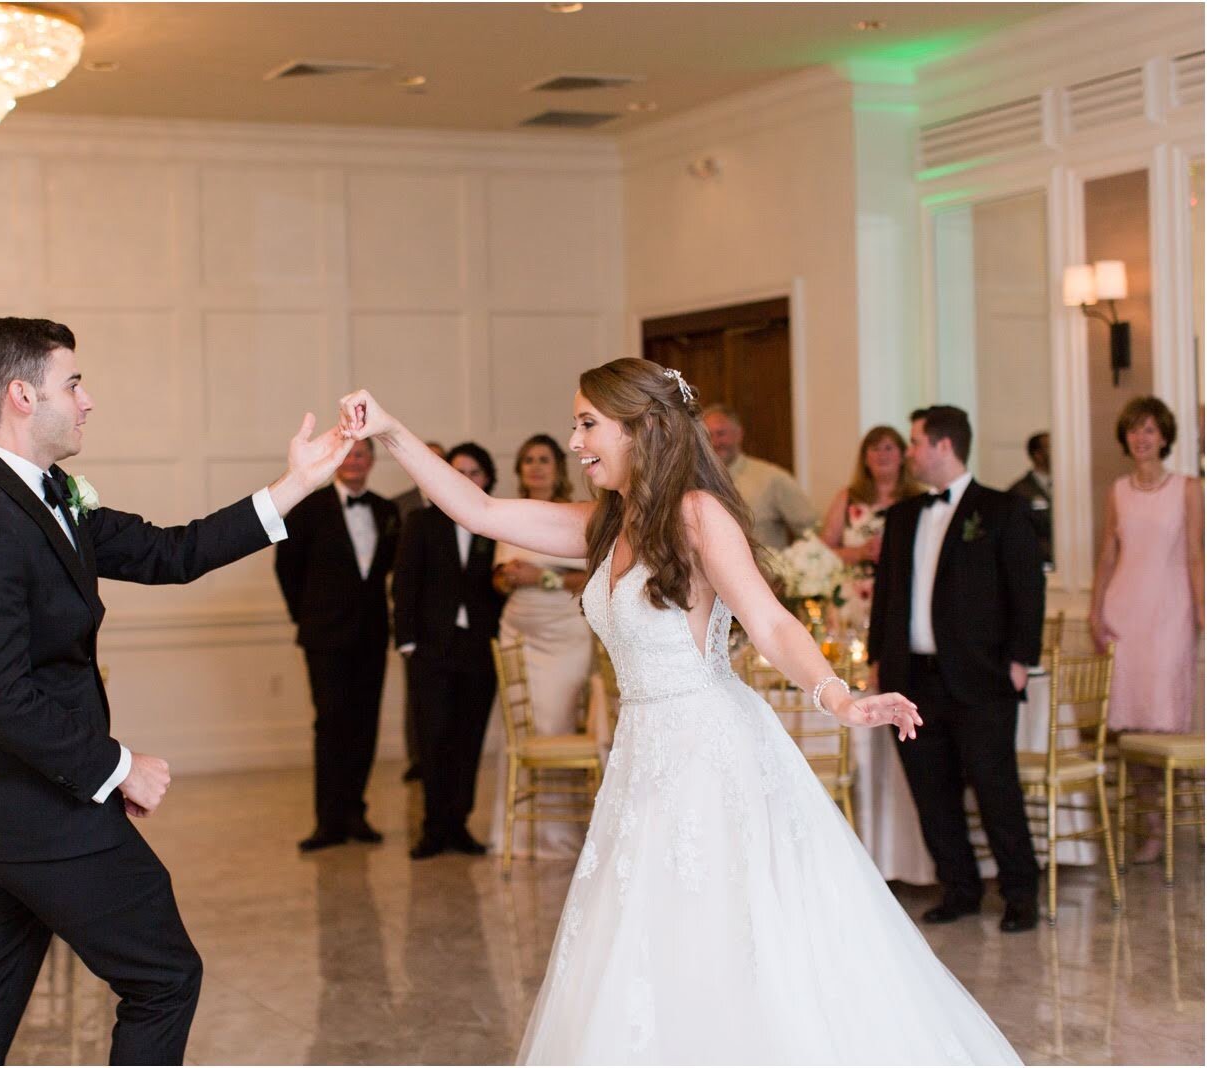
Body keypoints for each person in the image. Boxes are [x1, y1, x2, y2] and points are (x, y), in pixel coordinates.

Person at [338, 361, 1018, 1063]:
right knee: (644, 942)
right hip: (642, 755)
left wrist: (838, 696)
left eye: (588, 424)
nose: (576, 442)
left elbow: (771, 621)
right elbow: (477, 510)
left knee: (717, 936)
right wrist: (390, 431)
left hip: (706, 747)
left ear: (641, 428)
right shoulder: (605, 523)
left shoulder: (697, 514)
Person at [0, 317, 349, 1065]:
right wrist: (118, 766)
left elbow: (171, 552)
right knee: (164, 977)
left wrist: (297, 486)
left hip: (0, 814)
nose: (87, 401)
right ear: (22, 395)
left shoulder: (49, 495)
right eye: (74, 383)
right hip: (37, 815)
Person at [868, 405, 1044, 934]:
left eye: (917, 442)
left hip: (980, 675)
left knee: (995, 787)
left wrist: (1020, 660)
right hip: (912, 678)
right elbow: (886, 598)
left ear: (944, 446)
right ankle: (960, 887)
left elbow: (1026, 590)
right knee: (931, 789)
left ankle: (1020, 894)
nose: (910, 452)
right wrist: (880, 661)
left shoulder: (1001, 510)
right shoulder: (901, 518)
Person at [1090, 397, 1204, 863]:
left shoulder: (1190, 488)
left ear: (1164, 437)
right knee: (1131, 725)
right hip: (1126, 612)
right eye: (1135, 430)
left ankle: (1181, 822)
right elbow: (1108, 554)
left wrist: (1200, 609)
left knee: (1166, 716)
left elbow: (1196, 553)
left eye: (1150, 430)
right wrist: (1095, 612)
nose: (1142, 438)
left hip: (1170, 612)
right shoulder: (1118, 490)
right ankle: (1150, 827)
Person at [275, 439, 400, 851]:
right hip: (324, 636)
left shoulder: (387, 510)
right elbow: (287, 569)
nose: (354, 461)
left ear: (372, 462)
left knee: (365, 725)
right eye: (347, 454)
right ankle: (327, 822)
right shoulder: (309, 508)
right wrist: (307, 617)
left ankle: (355, 814)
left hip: (372, 635)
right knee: (331, 724)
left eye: (361, 454)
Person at [392, 442, 505, 858]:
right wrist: (407, 643)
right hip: (430, 649)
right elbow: (404, 585)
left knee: (468, 738)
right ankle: (433, 827)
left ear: (488, 477)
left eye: (475, 472)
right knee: (432, 739)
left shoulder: (498, 522)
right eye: (457, 471)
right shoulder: (421, 522)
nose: (466, 479)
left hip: (479, 647)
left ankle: (459, 823)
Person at [489, 433, 593, 857]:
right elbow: (496, 579)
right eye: (528, 459)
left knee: (556, 724)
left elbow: (591, 580)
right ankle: (517, 834)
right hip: (518, 631)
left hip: (565, 635)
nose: (535, 466)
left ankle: (556, 835)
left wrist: (543, 577)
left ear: (558, 467)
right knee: (518, 731)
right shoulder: (509, 515)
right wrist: (508, 576)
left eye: (544, 459)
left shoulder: (577, 517)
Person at [820, 426, 926, 631]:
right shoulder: (848, 497)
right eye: (875, 448)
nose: (882, 454)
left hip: (902, 595)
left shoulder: (918, 500)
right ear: (865, 458)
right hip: (854, 598)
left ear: (903, 455)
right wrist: (860, 553)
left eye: (888, 448)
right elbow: (822, 553)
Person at [392, 441, 446, 783]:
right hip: (413, 614)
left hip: (450, 616)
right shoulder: (398, 506)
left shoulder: (464, 504)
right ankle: (418, 757)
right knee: (415, 695)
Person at [700, 403, 817, 551]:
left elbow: (812, 532)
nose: (715, 442)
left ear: (739, 434)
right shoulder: (692, 481)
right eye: (708, 436)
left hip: (763, 572)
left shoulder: (772, 478)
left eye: (721, 433)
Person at [1007, 431, 1053, 567]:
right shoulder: (1019, 490)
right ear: (1037, 455)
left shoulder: (1067, 488)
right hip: (1037, 563)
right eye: (1050, 447)